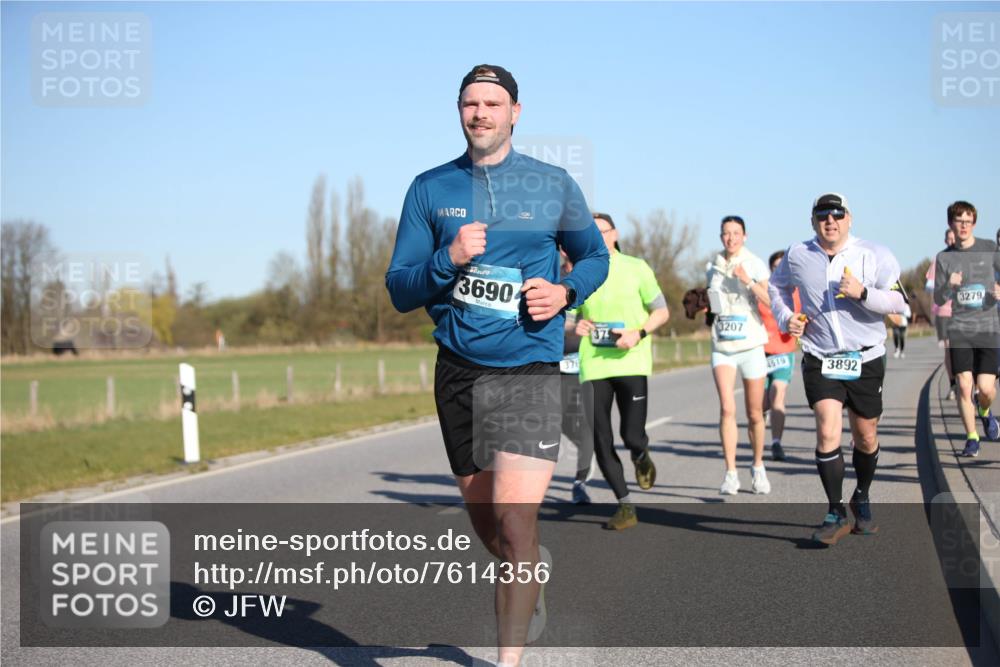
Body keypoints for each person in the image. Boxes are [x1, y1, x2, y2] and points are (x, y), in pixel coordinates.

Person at [385, 65, 609, 665]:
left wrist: (566, 293)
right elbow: (400, 288)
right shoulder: (429, 189)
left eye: (492, 103)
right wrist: (448, 257)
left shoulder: (552, 183)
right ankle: (531, 565)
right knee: (492, 532)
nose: (480, 113)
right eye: (469, 103)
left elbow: (593, 257)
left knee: (513, 524)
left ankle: (506, 659)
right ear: (459, 111)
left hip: (529, 368)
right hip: (459, 369)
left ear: (516, 112)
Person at [770, 193, 906, 546]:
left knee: (865, 436)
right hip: (820, 355)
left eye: (837, 214)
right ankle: (834, 511)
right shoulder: (798, 254)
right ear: (813, 221)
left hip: (866, 356)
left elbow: (898, 303)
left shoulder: (876, 254)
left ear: (849, 218)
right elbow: (777, 287)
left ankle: (861, 495)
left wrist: (863, 293)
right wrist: (788, 318)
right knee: (827, 430)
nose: (830, 220)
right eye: (822, 215)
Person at [573, 212, 670, 529]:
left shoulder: (636, 267)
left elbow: (661, 311)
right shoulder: (579, 272)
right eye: (591, 232)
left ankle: (641, 455)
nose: (597, 236)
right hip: (594, 363)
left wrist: (638, 334)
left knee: (631, 435)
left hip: (632, 360)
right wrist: (577, 323)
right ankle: (625, 506)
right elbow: (564, 314)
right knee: (601, 440)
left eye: (602, 231)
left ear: (614, 234)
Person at [706, 216, 772, 495]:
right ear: (721, 237)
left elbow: (770, 301)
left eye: (735, 233)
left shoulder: (755, 262)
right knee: (726, 408)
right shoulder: (712, 266)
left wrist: (748, 280)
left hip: (751, 345)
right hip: (723, 345)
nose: (730, 238)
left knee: (755, 412)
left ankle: (758, 466)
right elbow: (713, 305)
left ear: (744, 236)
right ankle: (730, 473)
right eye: (726, 233)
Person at [933, 200, 1000, 458]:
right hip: (960, 328)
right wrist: (949, 285)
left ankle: (984, 411)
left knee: (985, 389)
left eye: (968, 220)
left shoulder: (989, 248)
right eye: (959, 221)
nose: (963, 225)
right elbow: (939, 299)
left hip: (988, 328)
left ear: (974, 223)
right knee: (963, 385)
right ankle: (972, 437)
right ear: (951, 223)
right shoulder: (944, 258)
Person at [557, 248, 595, 505]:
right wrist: (570, 327)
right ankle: (585, 451)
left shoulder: (589, 278)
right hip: (557, 363)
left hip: (587, 365)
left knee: (587, 422)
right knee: (562, 423)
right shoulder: (550, 275)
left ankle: (580, 480)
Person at [758, 250, 801, 462]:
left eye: (781, 267)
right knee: (761, 403)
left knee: (778, 394)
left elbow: (800, 317)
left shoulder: (796, 293)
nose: (778, 270)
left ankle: (776, 443)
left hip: (784, 351)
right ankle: (762, 420)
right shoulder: (761, 291)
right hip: (761, 352)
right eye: (774, 267)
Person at [926, 229, 957, 398]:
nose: (952, 241)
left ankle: (967, 384)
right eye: (949, 238)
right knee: (949, 348)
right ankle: (953, 385)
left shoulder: (967, 257)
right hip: (944, 310)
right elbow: (928, 284)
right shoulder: (939, 259)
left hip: (964, 310)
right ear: (945, 239)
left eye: (954, 237)